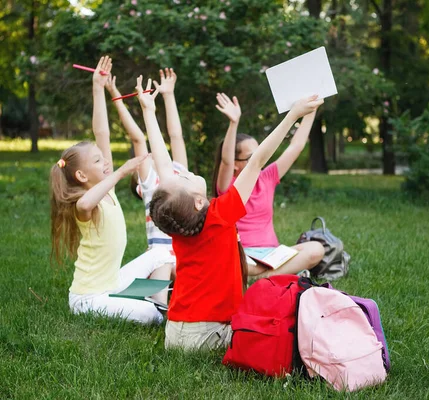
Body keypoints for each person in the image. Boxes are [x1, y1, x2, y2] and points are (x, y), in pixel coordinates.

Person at [136, 74, 323, 351]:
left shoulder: (177, 220)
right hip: (207, 335)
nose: (182, 173)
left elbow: (163, 164)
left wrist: (149, 111)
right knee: (276, 330)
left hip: (173, 333)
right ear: (199, 202)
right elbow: (258, 160)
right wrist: (292, 115)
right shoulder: (220, 215)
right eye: (184, 178)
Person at [49, 57, 171, 324]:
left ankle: (159, 303)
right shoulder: (83, 202)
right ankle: (155, 310)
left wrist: (98, 87)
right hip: (88, 299)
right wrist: (120, 171)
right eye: (97, 161)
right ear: (81, 176)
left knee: (162, 254)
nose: (105, 161)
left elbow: (101, 132)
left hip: (113, 283)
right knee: (149, 317)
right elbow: (83, 206)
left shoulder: (108, 191)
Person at [212, 93, 324, 278]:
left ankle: (264, 278)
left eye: (259, 152)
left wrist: (311, 109)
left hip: (273, 254)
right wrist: (233, 123)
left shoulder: (267, 177)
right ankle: (277, 276)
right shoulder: (228, 187)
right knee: (238, 265)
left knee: (316, 249)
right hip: (243, 256)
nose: (259, 158)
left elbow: (296, 146)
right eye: (251, 156)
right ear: (236, 164)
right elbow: (225, 160)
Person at [105, 68, 187, 285]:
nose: (151, 154)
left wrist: (168, 95)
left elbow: (176, 136)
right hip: (160, 263)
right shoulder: (153, 186)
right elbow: (138, 138)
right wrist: (117, 97)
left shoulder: (179, 171)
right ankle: (158, 303)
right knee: (166, 266)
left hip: (184, 258)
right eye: (146, 158)